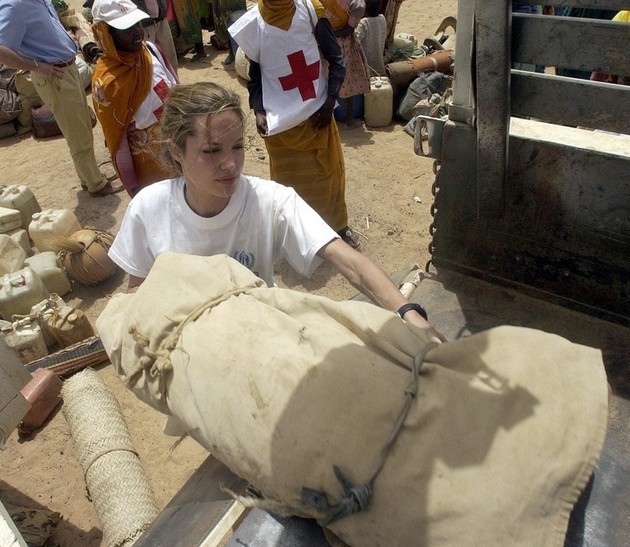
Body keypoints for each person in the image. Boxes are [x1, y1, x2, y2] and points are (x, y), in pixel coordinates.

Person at [108, 81, 445, 341]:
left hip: (261, 341)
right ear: (176, 151)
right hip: (189, 353)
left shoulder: (271, 201)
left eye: (238, 147)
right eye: (211, 151)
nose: (230, 164)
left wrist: (408, 313)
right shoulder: (148, 209)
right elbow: (137, 291)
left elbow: (350, 262)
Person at [229, 0, 360, 248]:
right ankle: (295, 236)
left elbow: (336, 59)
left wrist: (329, 99)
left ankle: (337, 230)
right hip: (281, 124)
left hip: (316, 116)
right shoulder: (253, 24)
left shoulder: (310, 11)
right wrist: (258, 110)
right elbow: (254, 74)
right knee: (288, 184)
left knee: (328, 176)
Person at [0, 0, 123, 196]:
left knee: (81, 124)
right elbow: (2, 50)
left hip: (66, 69)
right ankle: (96, 185)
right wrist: (37, 67)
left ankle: (89, 176)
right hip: (54, 75)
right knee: (77, 132)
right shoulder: (15, 5)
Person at [91, 0, 179, 197]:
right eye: (126, 29)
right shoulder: (106, 84)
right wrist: (134, 188)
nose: (137, 32)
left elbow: (176, 88)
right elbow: (118, 140)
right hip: (150, 165)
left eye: (137, 24)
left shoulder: (150, 51)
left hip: (180, 145)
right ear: (106, 34)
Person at [321, 0, 371, 126]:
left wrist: (326, 35)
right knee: (346, 80)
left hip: (328, 43)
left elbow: (348, 29)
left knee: (338, 80)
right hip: (341, 43)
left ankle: (342, 117)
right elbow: (349, 28)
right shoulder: (355, 3)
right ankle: (347, 118)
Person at [132, 0, 179, 74]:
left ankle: (174, 83)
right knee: (150, 62)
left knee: (170, 58)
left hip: (161, 19)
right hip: (145, 25)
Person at [355, 0, 387, 76]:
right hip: (379, 65)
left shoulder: (364, 23)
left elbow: (356, 41)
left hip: (367, 67)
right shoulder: (382, 18)